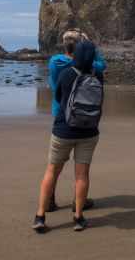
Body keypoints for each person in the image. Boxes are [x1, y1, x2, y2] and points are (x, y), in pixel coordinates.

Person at [33, 40, 104, 233]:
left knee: (52, 171)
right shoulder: (98, 74)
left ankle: (40, 216)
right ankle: (78, 217)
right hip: (89, 132)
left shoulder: (65, 74)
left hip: (63, 130)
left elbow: (57, 98)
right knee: (82, 175)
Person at [46, 30, 106, 213]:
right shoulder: (91, 65)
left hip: (61, 115)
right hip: (86, 117)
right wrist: (90, 45)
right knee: (82, 168)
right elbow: (102, 64)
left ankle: (48, 201)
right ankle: (79, 202)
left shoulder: (55, 62)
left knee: (54, 166)